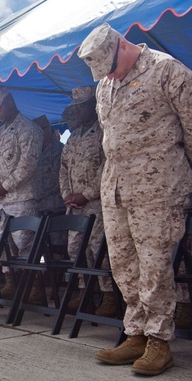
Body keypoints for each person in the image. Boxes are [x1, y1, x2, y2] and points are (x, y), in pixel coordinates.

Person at [77, 22, 192, 375]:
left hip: (158, 189)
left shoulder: (166, 70)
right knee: (123, 264)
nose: (107, 75)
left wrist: (176, 167)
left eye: (110, 66)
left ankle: (158, 341)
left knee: (155, 266)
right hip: (117, 188)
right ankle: (135, 332)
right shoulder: (105, 86)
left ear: (122, 46)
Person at [58, 87, 112, 313]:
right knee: (75, 249)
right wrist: (67, 196)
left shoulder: (103, 132)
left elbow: (107, 167)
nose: (76, 111)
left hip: (96, 204)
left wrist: (87, 194)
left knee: (99, 249)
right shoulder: (73, 138)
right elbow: (63, 169)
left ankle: (109, 294)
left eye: (81, 106)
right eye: (75, 106)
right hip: (74, 207)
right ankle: (84, 291)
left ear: (93, 105)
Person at [0, 87, 41, 297]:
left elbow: (28, 164)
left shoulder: (29, 129)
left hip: (22, 197)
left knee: (23, 241)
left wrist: (5, 186)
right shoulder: (0, 132)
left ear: (9, 102)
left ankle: (33, 283)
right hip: (1, 201)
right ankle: (10, 280)